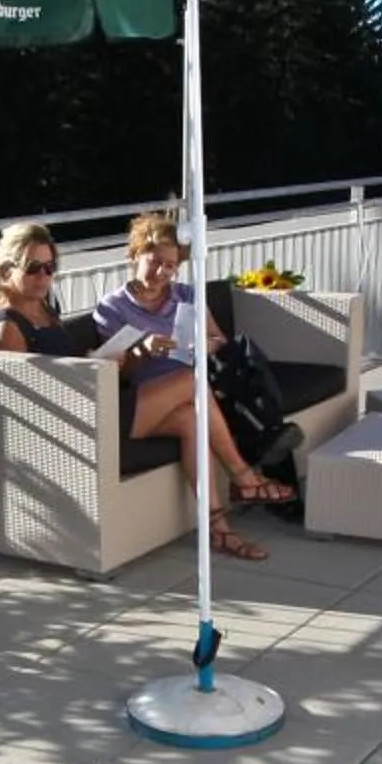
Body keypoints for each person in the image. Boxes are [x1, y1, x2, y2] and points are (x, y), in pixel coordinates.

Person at [92, 210, 294, 560]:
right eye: (154, 262)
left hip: (184, 393)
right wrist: (141, 350)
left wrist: (205, 344)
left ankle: (221, 533)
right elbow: (115, 373)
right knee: (191, 381)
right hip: (135, 404)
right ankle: (245, 478)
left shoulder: (186, 295)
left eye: (170, 266)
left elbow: (219, 339)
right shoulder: (113, 308)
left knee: (191, 418)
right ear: (135, 255)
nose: (162, 273)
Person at [0, 222, 78, 354]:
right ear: (6, 271)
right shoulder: (8, 328)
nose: (43, 275)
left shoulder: (46, 310)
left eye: (49, 267)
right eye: (32, 267)